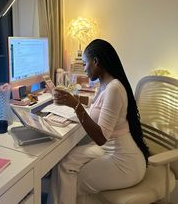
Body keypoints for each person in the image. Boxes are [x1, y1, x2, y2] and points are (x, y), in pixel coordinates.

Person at [48, 39, 150, 204]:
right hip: (109, 148)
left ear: (96, 62)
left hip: (124, 161)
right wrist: (72, 100)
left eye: (85, 63)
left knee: (71, 181)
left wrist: (75, 105)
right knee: (64, 165)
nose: (84, 68)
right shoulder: (104, 84)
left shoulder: (114, 89)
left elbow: (101, 138)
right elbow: (97, 107)